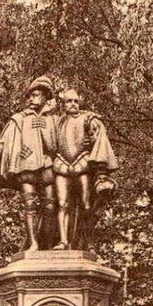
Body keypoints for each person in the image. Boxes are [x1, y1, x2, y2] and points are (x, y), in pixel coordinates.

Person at [0, 77, 57, 252]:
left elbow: (56, 146)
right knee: (30, 204)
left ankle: (48, 245)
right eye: (32, 95)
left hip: (47, 165)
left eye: (38, 96)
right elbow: (3, 144)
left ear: (45, 98)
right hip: (26, 165)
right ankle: (34, 244)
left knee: (50, 206)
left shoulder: (52, 120)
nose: (33, 99)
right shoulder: (18, 119)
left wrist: (43, 127)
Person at [53, 89, 118, 250]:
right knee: (62, 204)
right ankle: (62, 241)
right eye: (69, 101)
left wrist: (101, 170)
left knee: (86, 205)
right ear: (63, 104)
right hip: (61, 166)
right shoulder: (57, 123)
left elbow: (99, 139)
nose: (73, 104)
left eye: (75, 101)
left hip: (82, 166)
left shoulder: (88, 119)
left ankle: (88, 242)